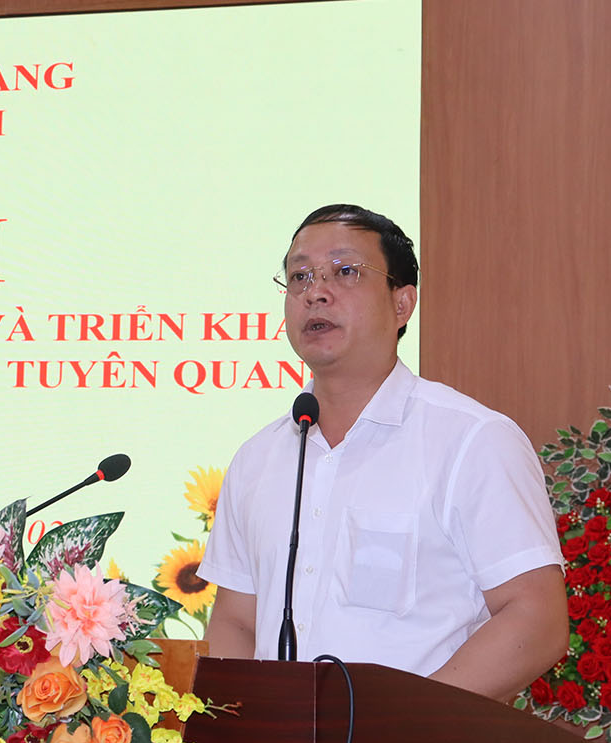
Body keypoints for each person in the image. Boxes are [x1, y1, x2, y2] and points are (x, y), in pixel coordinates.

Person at [197, 204, 568, 702]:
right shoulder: (257, 459)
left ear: (402, 303)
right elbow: (237, 623)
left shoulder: (472, 440)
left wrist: (402, 729)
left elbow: (536, 619)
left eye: (345, 271)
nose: (315, 292)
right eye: (300, 276)